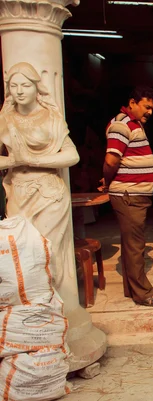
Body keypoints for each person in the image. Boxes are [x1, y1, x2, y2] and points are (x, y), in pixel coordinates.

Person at [0, 62, 80, 297]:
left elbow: (72, 155)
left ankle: (50, 304)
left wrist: (32, 160)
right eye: (13, 86)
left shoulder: (51, 118)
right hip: (18, 192)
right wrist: (13, 162)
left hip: (49, 193)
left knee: (47, 251)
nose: (19, 91)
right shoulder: (5, 119)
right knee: (22, 251)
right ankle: (30, 306)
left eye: (25, 85)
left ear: (37, 88)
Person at [100, 86, 153, 307]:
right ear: (132, 103)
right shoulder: (121, 125)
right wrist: (108, 182)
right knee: (136, 245)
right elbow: (111, 160)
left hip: (133, 194)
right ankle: (143, 293)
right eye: (146, 107)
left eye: (152, 108)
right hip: (129, 195)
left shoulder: (131, 124)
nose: (150, 112)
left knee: (131, 244)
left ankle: (133, 288)